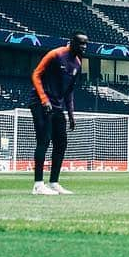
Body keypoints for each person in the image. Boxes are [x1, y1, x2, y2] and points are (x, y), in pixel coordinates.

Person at [29, 33, 87, 195]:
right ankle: (38, 185)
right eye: (81, 44)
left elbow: (69, 92)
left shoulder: (77, 64)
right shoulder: (55, 54)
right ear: (72, 43)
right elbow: (36, 74)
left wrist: (71, 115)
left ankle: (54, 182)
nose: (84, 47)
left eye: (86, 44)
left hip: (57, 106)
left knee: (61, 143)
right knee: (44, 140)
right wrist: (43, 99)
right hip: (41, 103)